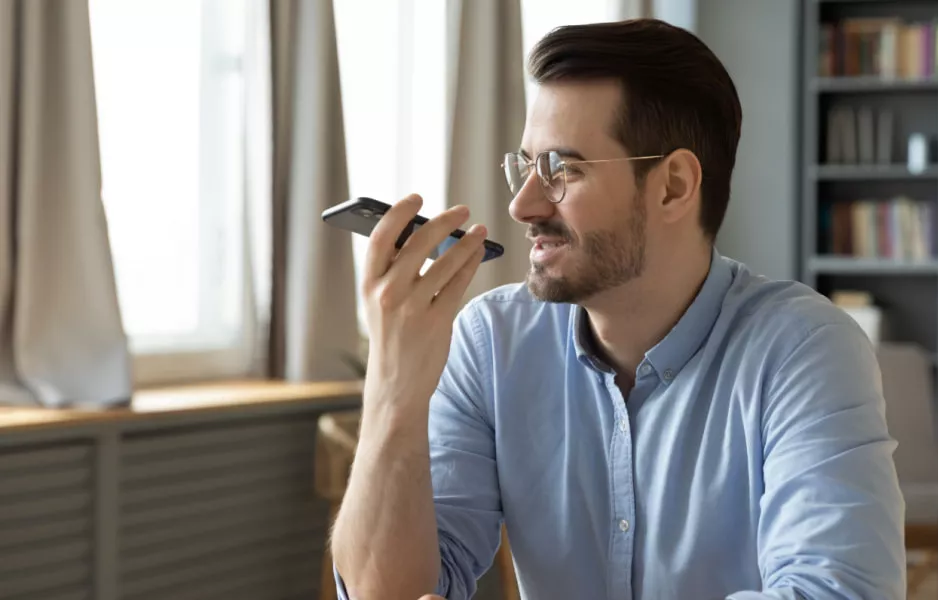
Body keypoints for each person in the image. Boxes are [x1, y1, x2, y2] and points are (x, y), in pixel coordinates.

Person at [330, 18, 905, 600]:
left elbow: (835, 591)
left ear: (673, 186)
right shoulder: (491, 342)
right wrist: (392, 392)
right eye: (525, 166)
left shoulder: (803, 349)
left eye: (561, 170)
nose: (522, 204)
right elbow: (394, 593)